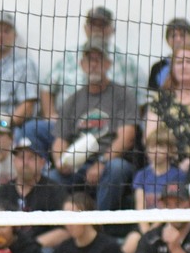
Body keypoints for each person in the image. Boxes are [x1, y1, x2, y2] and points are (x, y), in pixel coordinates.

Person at [51, 43, 141, 211]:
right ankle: (64, 224)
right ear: (81, 64)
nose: (93, 64)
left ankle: (100, 222)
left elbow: (127, 137)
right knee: (53, 177)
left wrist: (102, 162)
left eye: (98, 60)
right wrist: (60, 161)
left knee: (116, 168)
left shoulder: (123, 96)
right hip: (79, 163)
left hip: (112, 160)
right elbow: (59, 141)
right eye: (89, 60)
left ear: (108, 64)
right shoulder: (73, 100)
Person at [41, 5, 145, 139]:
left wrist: (127, 125)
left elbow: (141, 99)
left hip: (108, 128)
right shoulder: (70, 56)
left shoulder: (126, 62)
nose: (97, 29)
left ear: (112, 29)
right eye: (92, 24)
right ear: (85, 28)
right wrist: (50, 114)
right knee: (32, 129)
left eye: (102, 25)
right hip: (68, 125)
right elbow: (46, 87)